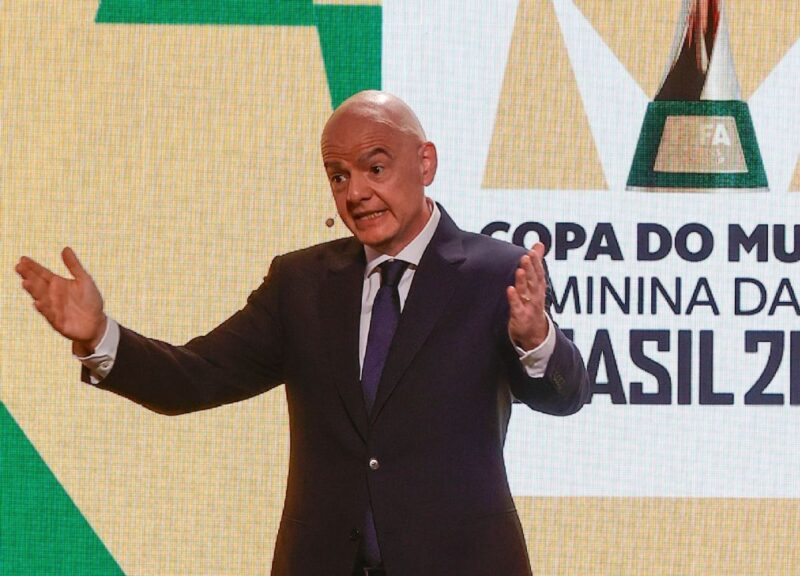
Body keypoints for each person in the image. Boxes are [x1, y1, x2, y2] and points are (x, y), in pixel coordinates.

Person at [15, 90, 590, 575]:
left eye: (375, 168)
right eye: (338, 176)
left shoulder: (498, 274)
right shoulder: (300, 284)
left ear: (426, 163)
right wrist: (100, 336)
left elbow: (565, 396)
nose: (355, 193)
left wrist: (535, 339)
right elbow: (196, 377)